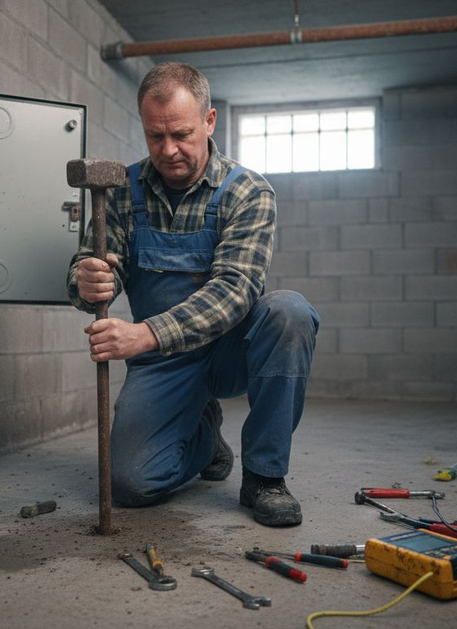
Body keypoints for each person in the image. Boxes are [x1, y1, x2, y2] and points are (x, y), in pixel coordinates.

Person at [66, 62, 320, 527]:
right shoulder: (121, 191)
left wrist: (145, 334)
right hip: (163, 362)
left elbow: (235, 290)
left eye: (181, 134)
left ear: (209, 121)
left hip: (229, 350)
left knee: (289, 312)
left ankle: (264, 477)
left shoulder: (248, 192)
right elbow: (93, 268)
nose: (168, 150)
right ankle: (204, 438)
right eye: (155, 136)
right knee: (131, 485)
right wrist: (87, 281)